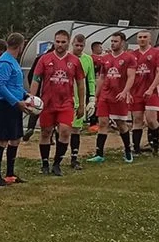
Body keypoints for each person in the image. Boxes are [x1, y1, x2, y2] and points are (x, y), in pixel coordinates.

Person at [31, 30, 86, 176]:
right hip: (48, 102)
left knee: (65, 131)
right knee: (46, 132)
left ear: (68, 43)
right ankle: (44, 164)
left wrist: (82, 104)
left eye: (63, 42)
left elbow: (80, 84)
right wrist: (32, 98)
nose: (60, 44)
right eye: (57, 41)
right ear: (54, 42)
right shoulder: (44, 59)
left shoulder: (75, 61)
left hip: (66, 103)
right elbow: (36, 79)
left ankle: (57, 163)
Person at [86, 32, 138, 164]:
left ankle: (128, 151)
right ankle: (99, 154)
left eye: (116, 41)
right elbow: (102, 77)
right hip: (105, 95)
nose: (113, 44)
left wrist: (125, 92)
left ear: (122, 42)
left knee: (121, 124)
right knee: (102, 123)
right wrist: (95, 96)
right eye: (112, 41)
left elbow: (131, 77)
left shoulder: (129, 58)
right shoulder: (106, 58)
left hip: (119, 96)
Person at [0, 35, 33, 185]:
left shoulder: (13, 61)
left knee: (15, 139)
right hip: (6, 105)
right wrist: (16, 102)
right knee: (3, 139)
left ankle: (10, 174)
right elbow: (0, 86)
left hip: (15, 105)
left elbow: (15, 85)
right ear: (20, 46)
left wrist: (25, 95)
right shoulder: (5, 62)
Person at [129, 30, 159, 157]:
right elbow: (129, 74)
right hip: (136, 92)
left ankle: (155, 145)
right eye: (140, 37)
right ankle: (136, 149)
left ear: (150, 39)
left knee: (151, 120)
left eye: (145, 37)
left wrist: (151, 88)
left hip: (152, 92)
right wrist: (128, 91)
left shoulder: (156, 53)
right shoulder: (133, 54)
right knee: (137, 120)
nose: (142, 39)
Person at [70, 34, 97, 169]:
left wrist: (92, 98)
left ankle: (74, 158)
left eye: (81, 46)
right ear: (72, 44)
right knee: (62, 129)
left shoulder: (88, 59)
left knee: (76, 129)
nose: (79, 48)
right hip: (65, 98)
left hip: (79, 99)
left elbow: (91, 79)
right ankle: (58, 157)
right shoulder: (67, 58)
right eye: (77, 45)